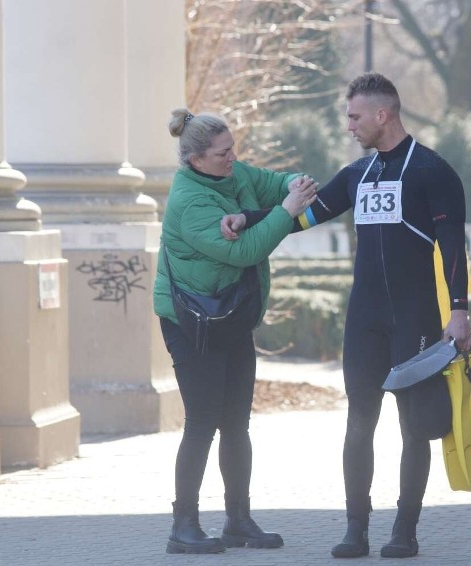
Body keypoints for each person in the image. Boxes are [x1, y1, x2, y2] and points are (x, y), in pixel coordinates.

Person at [222, 72, 471, 559]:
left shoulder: (433, 172)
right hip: (365, 320)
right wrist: (248, 220)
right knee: (359, 422)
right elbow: (305, 215)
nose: (349, 125)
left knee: (412, 425)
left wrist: (459, 312)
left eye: (355, 116)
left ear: (383, 114)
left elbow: (453, 249)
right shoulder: (359, 175)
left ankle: (405, 529)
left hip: (415, 317)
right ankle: (356, 528)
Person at [153, 107, 317, 554]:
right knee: (203, 421)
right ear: (195, 160)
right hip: (191, 321)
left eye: (232, 150)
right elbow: (245, 252)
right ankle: (182, 525)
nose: (232, 158)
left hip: (231, 315)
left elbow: (278, 181)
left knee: (237, 423)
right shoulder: (189, 201)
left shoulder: (235, 174)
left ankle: (238, 521)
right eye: (223, 154)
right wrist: (283, 212)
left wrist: (295, 185)